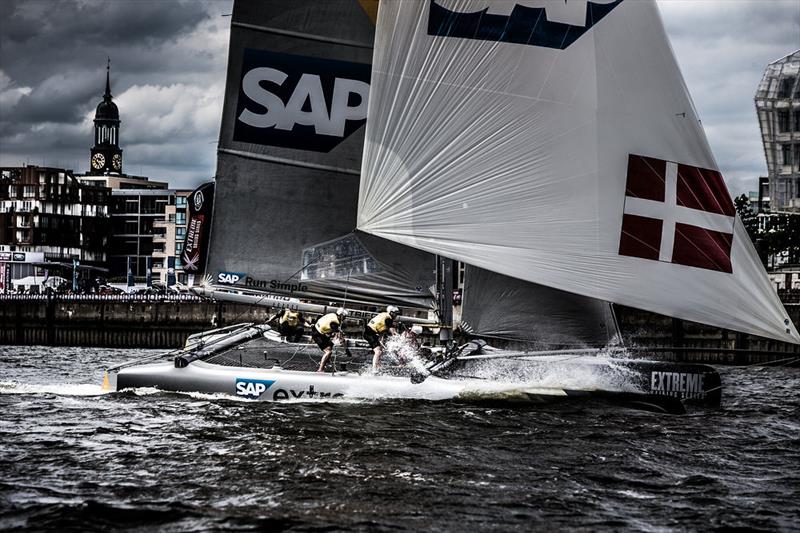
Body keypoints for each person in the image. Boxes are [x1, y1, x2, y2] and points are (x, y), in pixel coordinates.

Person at [364, 305, 400, 370]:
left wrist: (381, 340)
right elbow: (393, 333)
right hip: (370, 333)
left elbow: (381, 331)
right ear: (391, 312)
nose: (396, 315)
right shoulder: (388, 319)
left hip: (370, 332)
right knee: (378, 352)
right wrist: (400, 339)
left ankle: (378, 366)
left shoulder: (384, 315)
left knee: (380, 351)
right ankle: (374, 369)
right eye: (395, 314)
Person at [313, 307, 348, 372]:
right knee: (328, 352)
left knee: (330, 344)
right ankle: (320, 369)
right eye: (345, 317)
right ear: (341, 315)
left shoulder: (333, 315)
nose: (345, 318)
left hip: (318, 330)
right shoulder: (335, 322)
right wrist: (346, 349)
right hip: (317, 334)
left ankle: (326, 361)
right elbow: (339, 336)